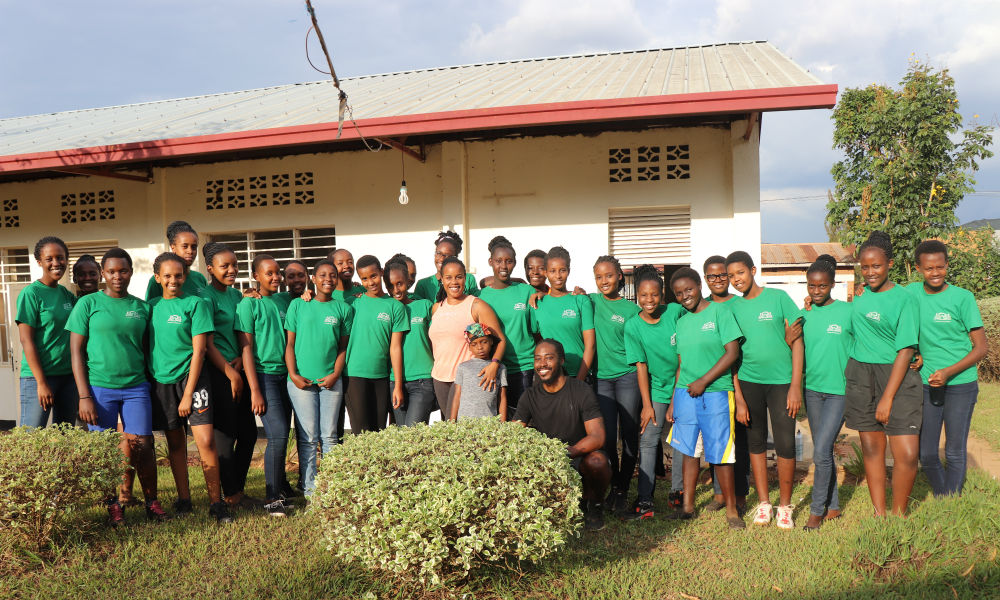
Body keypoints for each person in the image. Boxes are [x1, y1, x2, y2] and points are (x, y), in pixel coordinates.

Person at [67, 247, 166, 526]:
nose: (117, 276)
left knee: (143, 446)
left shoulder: (141, 307)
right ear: (102, 274)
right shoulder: (87, 304)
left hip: (136, 387)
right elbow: (76, 352)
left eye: (123, 270)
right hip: (99, 389)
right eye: (111, 271)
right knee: (106, 450)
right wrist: (84, 395)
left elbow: (149, 349)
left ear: (131, 272)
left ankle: (152, 503)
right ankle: (113, 506)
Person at [147, 252, 232, 523]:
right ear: (157, 278)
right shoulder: (150, 307)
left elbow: (199, 352)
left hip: (193, 381)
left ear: (186, 276)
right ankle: (184, 499)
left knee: (205, 441)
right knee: (175, 443)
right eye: (168, 275)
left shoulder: (196, 304)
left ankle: (216, 503)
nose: (174, 280)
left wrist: (187, 394)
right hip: (162, 382)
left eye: (179, 275)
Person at [845, 231, 921, 517]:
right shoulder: (860, 295)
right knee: (872, 449)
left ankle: (898, 515)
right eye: (864, 267)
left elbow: (906, 349)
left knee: (907, 454)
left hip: (897, 375)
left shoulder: (904, 298)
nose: (870, 272)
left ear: (889, 263)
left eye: (876, 266)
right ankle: (880, 513)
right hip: (861, 373)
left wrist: (887, 398)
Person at [725, 250, 803, 529]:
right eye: (731, 276)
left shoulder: (778, 298)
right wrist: (740, 397)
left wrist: (796, 386)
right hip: (749, 382)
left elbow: (797, 341)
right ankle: (764, 504)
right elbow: (731, 353)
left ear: (753, 270)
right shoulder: (732, 308)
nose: (736, 279)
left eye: (740, 273)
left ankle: (784, 506)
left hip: (782, 383)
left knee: (785, 443)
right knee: (755, 443)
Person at [668, 268, 748, 529]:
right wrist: (673, 400)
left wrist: (704, 381)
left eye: (688, 290)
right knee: (689, 452)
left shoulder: (719, 312)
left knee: (720, 453)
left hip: (715, 393)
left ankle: (732, 510)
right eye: (679, 293)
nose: (684, 296)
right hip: (685, 393)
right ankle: (688, 507)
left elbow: (732, 352)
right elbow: (682, 364)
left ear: (699, 286)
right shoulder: (681, 322)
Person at [909, 240, 988, 497]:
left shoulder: (962, 298)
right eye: (929, 268)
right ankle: (946, 495)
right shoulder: (911, 294)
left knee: (954, 450)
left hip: (960, 384)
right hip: (927, 384)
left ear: (947, 266)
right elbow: (883, 295)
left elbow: (980, 348)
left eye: (940, 267)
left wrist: (948, 372)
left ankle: (949, 501)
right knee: (927, 452)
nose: (935, 273)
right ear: (919, 268)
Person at [513, 339, 611, 531]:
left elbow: (597, 436)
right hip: (548, 460)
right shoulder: (529, 396)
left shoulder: (581, 390)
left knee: (597, 462)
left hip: (579, 455)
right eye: (538, 359)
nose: (542, 364)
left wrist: (566, 452)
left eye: (549, 358)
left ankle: (595, 505)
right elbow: (515, 432)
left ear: (562, 361)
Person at [198, 242, 259, 511]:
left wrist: (239, 364)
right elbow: (207, 343)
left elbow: (242, 332)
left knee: (248, 434)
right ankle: (231, 494)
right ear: (210, 269)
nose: (232, 270)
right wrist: (231, 373)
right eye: (225, 266)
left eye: (235, 264)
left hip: (239, 368)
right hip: (219, 372)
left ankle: (237, 489)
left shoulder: (237, 297)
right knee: (225, 435)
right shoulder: (205, 298)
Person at [284, 259, 352, 496]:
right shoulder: (298, 305)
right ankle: (310, 489)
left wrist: (335, 374)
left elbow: (343, 348)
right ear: (313, 279)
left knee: (330, 436)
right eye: (322, 275)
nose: (328, 279)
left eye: (332, 275)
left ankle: (331, 488)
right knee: (309, 437)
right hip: (301, 382)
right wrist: (293, 375)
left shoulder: (343, 309)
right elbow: (290, 344)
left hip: (331, 381)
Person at [623, 265, 684, 520]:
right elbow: (641, 367)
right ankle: (645, 500)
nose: (649, 300)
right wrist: (647, 405)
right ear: (637, 295)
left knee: (680, 440)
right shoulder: (633, 326)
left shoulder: (675, 312)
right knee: (648, 440)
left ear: (662, 295)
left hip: (683, 386)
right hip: (657, 389)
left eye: (655, 295)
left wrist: (675, 400)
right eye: (644, 295)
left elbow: (683, 359)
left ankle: (678, 492)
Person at [236, 253, 294, 517]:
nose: (276, 277)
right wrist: (255, 389)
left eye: (278, 272)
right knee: (278, 434)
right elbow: (245, 348)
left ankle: (281, 490)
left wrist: (305, 295)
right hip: (263, 376)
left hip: (287, 376)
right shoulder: (248, 305)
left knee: (284, 435)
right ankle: (272, 500)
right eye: (269, 273)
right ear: (256, 276)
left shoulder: (283, 300)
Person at [799, 254, 853, 530]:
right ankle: (832, 506)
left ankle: (816, 511)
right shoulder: (806, 315)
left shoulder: (847, 312)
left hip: (839, 392)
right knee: (824, 451)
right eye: (811, 286)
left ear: (832, 284)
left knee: (820, 450)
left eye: (821, 286)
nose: (816, 291)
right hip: (813, 391)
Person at [589, 255, 641, 514]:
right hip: (601, 379)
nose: (603, 281)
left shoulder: (632, 310)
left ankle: (622, 488)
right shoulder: (590, 301)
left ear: (619, 276)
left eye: (608, 275)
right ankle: (613, 485)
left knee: (630, 434)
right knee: (607, 437)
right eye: (598, 277)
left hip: (628, 376)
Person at [699, 254, 750, 514]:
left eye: (723, 275)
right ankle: (719, 494)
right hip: (710, 386)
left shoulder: (738, 305)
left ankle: (739, 495)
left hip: (736, 378)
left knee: (737, 441)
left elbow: (736, 351)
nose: (718, 280)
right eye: (712, 276)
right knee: (714, 441)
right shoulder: (701, 306)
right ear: (705, 279)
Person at [428, 256, 507, 418]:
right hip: (440, 378)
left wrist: (494, 365)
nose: (454, 282)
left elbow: (500, 340)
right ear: (441, 280)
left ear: (465, 278)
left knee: (461, 429)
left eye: (459, 277)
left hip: (468, 378)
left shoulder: (476, 305)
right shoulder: (437, 308)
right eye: (448, 278)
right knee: (450, 429)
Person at [17, 237, 78, 428]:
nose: (56, 263)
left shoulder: (67, 295)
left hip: (68, 377)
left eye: (60, 258)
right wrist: (42, 382)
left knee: (65, 437)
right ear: (39, 262)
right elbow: (26, 341)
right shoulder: (31, 294)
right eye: (49, 258)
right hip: (39, 377)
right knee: (32, 437)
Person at [343, 255, 408, 432]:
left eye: (373, 276)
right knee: (361, 431)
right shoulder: (352, 304)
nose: (370, 282)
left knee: (379, 431)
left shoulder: (396, 307)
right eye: (364, 278)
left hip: (381, 377)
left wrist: (399, 386)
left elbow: (395, 348)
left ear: (381, 273)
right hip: (354, 375)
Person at [478, 236, 537, 417]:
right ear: (490, 262)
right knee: (500, 423)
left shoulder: (527, 292)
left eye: (509, 261)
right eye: (498, 261)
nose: (504, 266)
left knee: (524, 421)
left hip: (524, 367)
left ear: (515, 263)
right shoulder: (481, 297)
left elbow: (536, 329)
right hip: (494, 368)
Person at [384, 257, 436, 426]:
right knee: (402, 437)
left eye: (400, 283)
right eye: (390, 285)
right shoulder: (386, 309)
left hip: (422, 380)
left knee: (412, 434)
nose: (396, 289)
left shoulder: (424, 306)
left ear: (408, 281)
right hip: (395, 381)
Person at [530, 246, 595, 381]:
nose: (558, 276)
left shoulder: (581, 301)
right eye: (552, 271)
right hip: (548, 378)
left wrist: (579, 381)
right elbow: (537, 341)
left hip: (579, 375)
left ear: (569, 271)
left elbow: (591, 345)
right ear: (546, 273)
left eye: (562, 270)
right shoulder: (538, 304)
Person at [450, 323, 508, 421]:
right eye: (474, 344)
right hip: (464, 423)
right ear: (469, 347)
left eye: (484, 342)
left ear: (491, 342)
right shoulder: (463, 367)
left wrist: (503, 424)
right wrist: (452, 421)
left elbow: (502, 398)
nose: (479, 347)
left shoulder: (500, 368)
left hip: (490, 424)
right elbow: (457, 396)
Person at [146, 220, 208, 300]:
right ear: (173, 247)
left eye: (194, 247)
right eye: (185, 246)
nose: (190, 251)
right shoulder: (158, 281)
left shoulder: (199, 278)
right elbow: (151, 309)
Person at [413, 231, 479, 301]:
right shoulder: (423, 285)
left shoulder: (468, 279)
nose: (441, 259)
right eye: (438, 253)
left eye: (447, 255)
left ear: (455, 257)